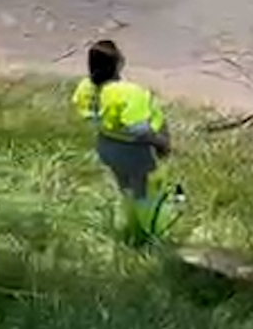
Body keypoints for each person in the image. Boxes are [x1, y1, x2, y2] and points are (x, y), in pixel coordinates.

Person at [69, 39, 180, 243]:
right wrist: (161, 143)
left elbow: (81, 108)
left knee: (126, 189)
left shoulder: (85, 87)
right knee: (146, 193)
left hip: (107, 146)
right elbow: (139, 130)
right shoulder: (129, 93)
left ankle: (131, 224)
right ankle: (148, 234)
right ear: (119, 62)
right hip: (135, 152)